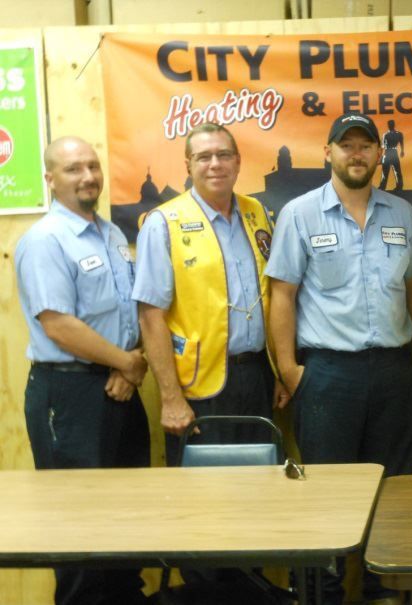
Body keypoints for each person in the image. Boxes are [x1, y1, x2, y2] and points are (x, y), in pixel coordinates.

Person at [266, 112, 412, 605]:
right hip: (328, 375)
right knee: (326, 493)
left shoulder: (402, 214)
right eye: (346, 146)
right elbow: (282, 296)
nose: (356, 154)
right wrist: (291, 370)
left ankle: (384, 591)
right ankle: (325, 594)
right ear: (328, 153)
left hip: (395, 373)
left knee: (393, 490)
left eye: (366, 146)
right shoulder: (299, 213)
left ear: (381, 155)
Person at [133, 123, 286, 595]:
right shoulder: (165, 223)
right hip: (200, 388)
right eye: (203, 157)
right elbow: (151, 316)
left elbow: (274, 296)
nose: (215, 164)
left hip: (255, 376)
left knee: (256, 498)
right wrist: (171, 399)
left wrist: (280, 370)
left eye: (223, 155)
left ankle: (247, 590)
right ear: (188, 166)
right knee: (205, 506)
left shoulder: (259, 213)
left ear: (239, 161)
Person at [15, 136, 150, 605]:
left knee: (127, 520)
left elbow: (127, 312)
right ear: (50, 179)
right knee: (79, 529)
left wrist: (131, 369)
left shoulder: (112, 234)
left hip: (119, 387)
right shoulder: (44, 240)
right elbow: (59, 326)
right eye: (73, 169)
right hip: (69, 395)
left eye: (92, 166)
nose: (88, 176)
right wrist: (127, 363)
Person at [379, 119, 405, 191]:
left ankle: (399, 186)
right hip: (389, 152)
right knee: (386, 171)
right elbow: (382, 146)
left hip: (392, 152)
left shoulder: (398, 134)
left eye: (391, 124)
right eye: (390, 124)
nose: (390, 125)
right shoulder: (386, 134)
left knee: (397, 171)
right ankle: (383, 187)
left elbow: (401, 142)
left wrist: (402, 151)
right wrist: (380, 156)